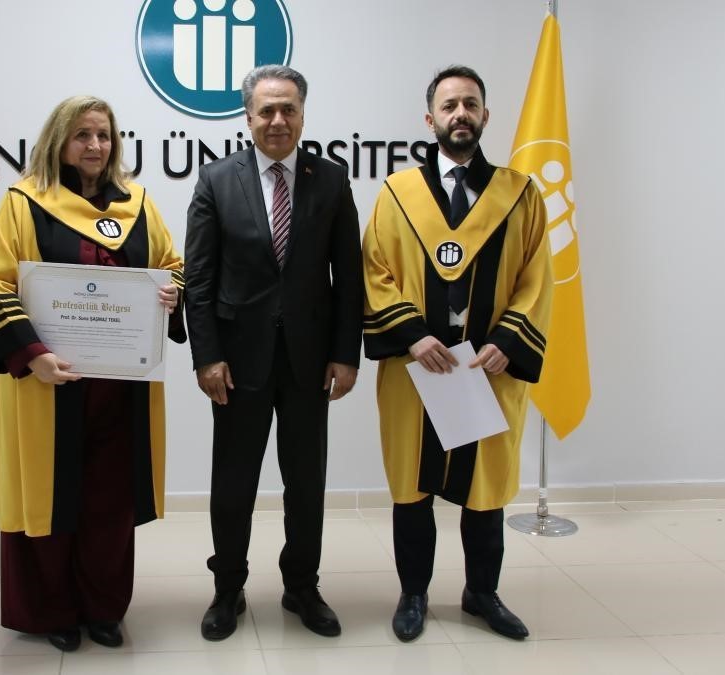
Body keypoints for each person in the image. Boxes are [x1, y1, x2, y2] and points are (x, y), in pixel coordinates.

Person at [0, 95, 185, 653]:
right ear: (59, 140)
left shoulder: (138, 204)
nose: (95, 145)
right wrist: (34, 355)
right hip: (49, 382)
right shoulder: (25, 203)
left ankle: (103, 608)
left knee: (109, 501)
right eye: (83, 135)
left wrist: (172, 293)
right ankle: (52, 611)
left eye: (104, 135)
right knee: (50, 495)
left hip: (120, 386)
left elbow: (173, 266)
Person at [360, 65, 552, 642]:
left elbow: (537, 279)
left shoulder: (520, 195)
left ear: (485, 115)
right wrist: (412, 334)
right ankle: (413, 594)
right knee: (411, 486)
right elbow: (375, 271)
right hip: (416, 368)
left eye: (470, 104)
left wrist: (506, 341)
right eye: (449, 106)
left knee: (485, 487)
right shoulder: (398, 195)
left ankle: (481, 593)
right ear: (430, 120)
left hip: (487, 368)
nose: (460, 114)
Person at [183, 64, 363, 640]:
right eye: (267, 110)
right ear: (248, 117)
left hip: (311, 361)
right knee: (233, 483)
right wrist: (206, 356)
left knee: (306, 484)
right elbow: (199, 280)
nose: (278, 120)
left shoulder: (331, 181)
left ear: (303, 115)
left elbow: (349, 277)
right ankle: (227, 588)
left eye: (289, 109)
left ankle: (302, 586)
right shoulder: (216, 180)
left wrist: (347, 353)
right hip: (237, 363)